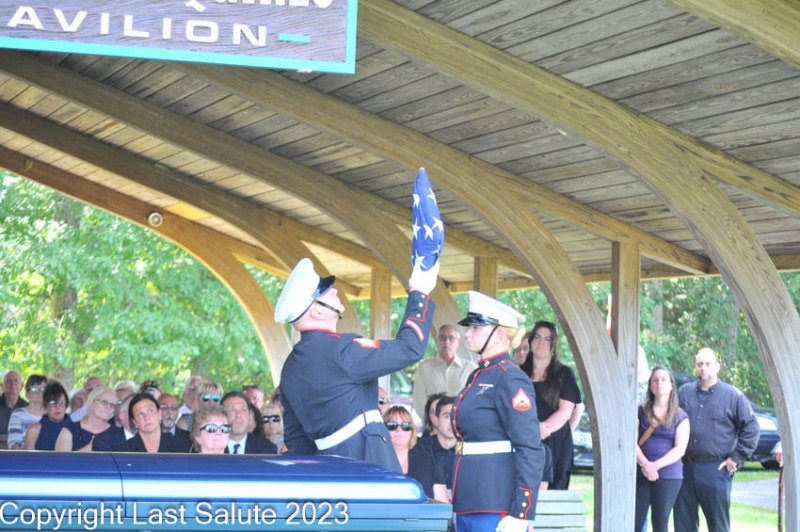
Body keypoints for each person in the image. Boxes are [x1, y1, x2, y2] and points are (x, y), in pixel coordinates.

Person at [275, 256, 437, 472]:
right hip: (368, 458)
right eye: (324, 291)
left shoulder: (290, 368)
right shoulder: (341, 349)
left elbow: (298, 443)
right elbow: (409, 348)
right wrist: (420, 292)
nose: (334, 291)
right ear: (317, 311)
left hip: (328, 468)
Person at [452, 291, 545, 532]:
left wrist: (521, 512)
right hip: (469, 501)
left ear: (499, 334)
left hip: (495, 503)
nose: (467, 333)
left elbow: (529, 447)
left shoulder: (510, 378)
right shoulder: (479, 375)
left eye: (476, 328)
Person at [674, 348, 760, 532]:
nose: (703, 368)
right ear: (695, 367)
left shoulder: (732, 395)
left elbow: (752, 428)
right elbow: (670, 423)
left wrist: (736, 457)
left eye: (708, 364)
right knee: (683, 525)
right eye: (700, 364)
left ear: (717, 367)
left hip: (715, 469)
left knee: (718, 526)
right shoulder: (684, 393)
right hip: (684, 468)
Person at [521, 320, 582, 489]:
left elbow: (566, 411)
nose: (541, 342)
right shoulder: (518, 373)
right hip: (525, 439)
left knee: (554, 496)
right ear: (531, 341)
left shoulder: (564, 373)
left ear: (553, 345)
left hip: (555, 440)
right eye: (537, 337)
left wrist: (542, 428)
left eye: (547, 339)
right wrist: (533, 429)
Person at [635, 366, 690, 532]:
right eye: (655, 380)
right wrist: (645, 465)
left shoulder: (681, 416)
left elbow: (680, 449)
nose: (659, 383)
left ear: (672, 385)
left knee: (660, 522)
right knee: (635, 520)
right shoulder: (640, 412)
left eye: (663, 379)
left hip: (668, 476)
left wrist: (655, 466)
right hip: (641, 473)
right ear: (650, 386)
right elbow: (631, 442)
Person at [412, 324, 476, 421]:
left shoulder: (470, 368)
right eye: (442, 337)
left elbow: (474, 400)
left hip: (461, 425)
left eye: (451, 338)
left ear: (458, 342)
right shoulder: (425, 368)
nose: (446, 341)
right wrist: (434, 423)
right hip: (433, 426)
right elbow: (419, 402)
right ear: (437, 341)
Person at [384, 405, 447, 502]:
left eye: (406, 426)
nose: (399, 430)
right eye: (392, 425)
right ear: (383, 429)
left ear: (412, 431)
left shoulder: (429, 460)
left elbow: (441, 502)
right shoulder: (375, 459)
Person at [115, 393, 190, 453]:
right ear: (135, 422)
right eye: (140, 414)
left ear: (159, 414)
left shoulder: (181, 446)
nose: (146, 417)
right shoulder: (123, 451)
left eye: (150, 411)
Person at [55, 386, 116, 451]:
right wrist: (91, 446)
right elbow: (61, 457)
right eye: (104, 402)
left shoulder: (117, 433)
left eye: (112, 405)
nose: (108, 407)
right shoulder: (69, 430)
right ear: (91, 402)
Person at [24, 381, 73, 451]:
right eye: (53, 403)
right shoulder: (34, 430)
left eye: (61, 402)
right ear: (45, 406)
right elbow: (28, 457)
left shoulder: (76, 428)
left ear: (66, 405)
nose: (57, 407)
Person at [7, 374, 47, 450]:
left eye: (43, 389)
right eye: (34, 390)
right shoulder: (18, 415)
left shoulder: (52, 415)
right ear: (27, 395)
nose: (39, 393)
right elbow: (14, 444)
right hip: (24, 455)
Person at [1, 370, 28, 437]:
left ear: (22, 386)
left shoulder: (27, 409)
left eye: (16, 381)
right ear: (2, 386)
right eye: (8, 381)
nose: (13, 383)